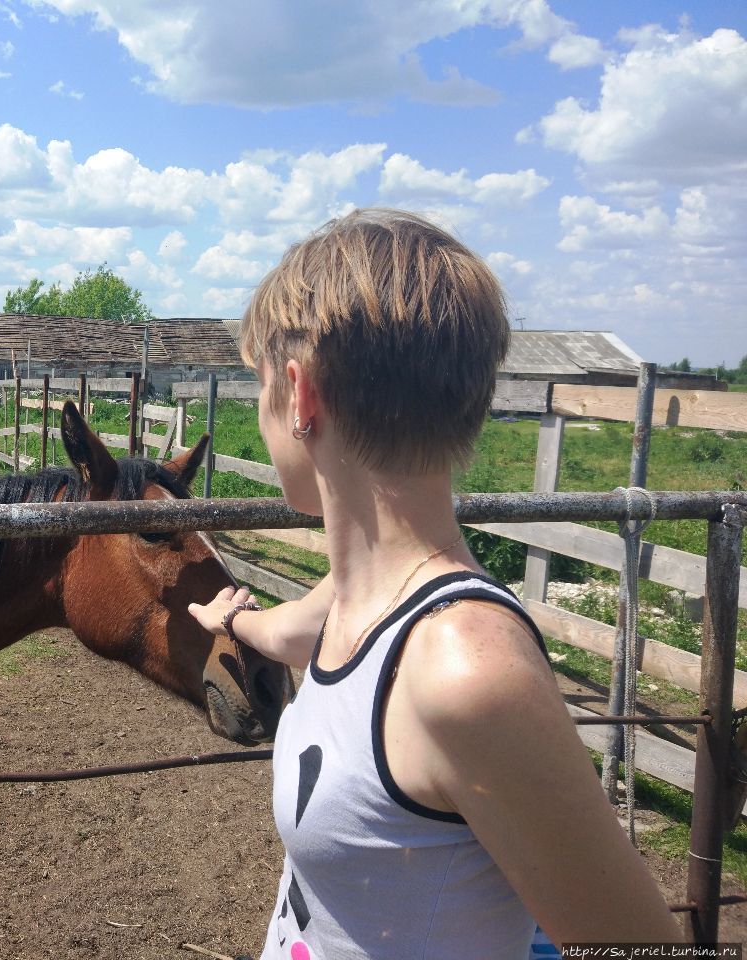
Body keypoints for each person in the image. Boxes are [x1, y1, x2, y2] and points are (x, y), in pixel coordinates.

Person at [186, 209, 681, 958]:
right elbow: (287, 632)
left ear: (300, 395)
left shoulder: (462, 667)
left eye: (260, 386)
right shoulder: (359, 600)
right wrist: (232, 617)